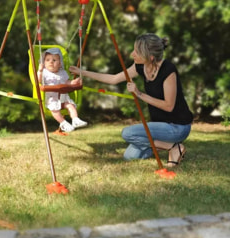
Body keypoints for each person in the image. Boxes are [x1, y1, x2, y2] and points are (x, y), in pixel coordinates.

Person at [69, 33, 193, 167]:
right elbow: (114, 79)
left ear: (150, 57)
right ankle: (161, 144)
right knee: (130, 156)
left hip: (177, 126)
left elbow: (169, 106)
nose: (131, 54)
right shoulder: (140, 66)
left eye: (137, 52)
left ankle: (174, 147)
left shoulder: (168, 71)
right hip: (159, 127)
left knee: (128, 133)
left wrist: (139, 94)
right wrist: (83, 72)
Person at [38, 47, 87, 132]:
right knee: (55, 110)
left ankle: (75, 119)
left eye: (54, 60)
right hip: (52, 98)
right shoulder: (44, 72)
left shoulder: (62, 72)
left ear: (60, 64)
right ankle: (63, 123)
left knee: (70, 106)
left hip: (63, 96)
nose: (51, 62)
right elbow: (38, 80)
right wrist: (40, 70)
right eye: (47, 60)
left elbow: (67, 82)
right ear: (44, 63)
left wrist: (74, 82)